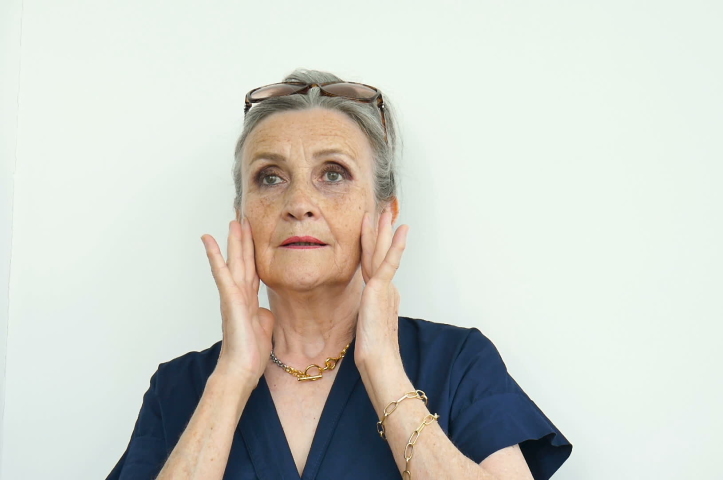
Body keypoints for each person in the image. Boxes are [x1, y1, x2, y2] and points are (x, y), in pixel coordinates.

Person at [106, 69, 572, 480]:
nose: (299, 204)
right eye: (270, 177)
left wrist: (383, 367)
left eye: (333, 174)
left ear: (383, 214)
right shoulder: (180, 388)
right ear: (241, 216)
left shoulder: (456, 363)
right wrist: (231, 378)